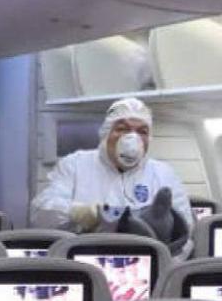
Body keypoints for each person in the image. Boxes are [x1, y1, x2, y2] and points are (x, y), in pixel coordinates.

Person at [32, 98, 193, 236]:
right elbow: (41, 214)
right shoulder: (75, 165)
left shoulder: (163, 174)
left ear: (149, 139)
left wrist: (163, 239)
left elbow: (186, 229)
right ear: (106, 134)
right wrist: (80, 213)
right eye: (122, 129)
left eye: (142, 131)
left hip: (144, 257)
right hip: (86, 255)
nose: (132, 138)